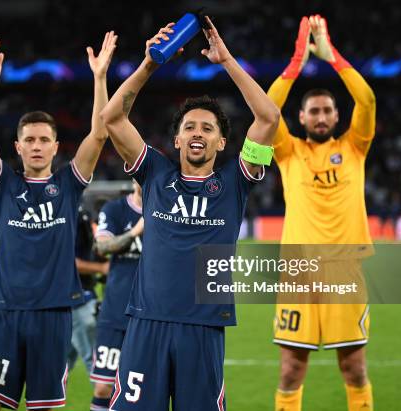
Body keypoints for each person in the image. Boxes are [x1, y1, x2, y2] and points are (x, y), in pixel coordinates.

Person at [100, 17, 279, 410]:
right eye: (190, 126)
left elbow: (268, 118)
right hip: (147, 322)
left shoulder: (237, 181)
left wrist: (227, 61)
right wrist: (148, 65)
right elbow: (112, 119)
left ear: (222, 141)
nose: (198, 132)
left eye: (208, 128)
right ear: (177, 138)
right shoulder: (154, 172)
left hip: (203, 326)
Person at [0, 31, 117, 411]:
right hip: (6, 310)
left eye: (43, 140)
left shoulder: (67, 184)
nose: (36, 146)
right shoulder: (4, 184)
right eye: (29, 140)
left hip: (53, 315)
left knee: (43, 407)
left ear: (55, 146)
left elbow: (99, 135)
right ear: (18, 146)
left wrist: (99, 79)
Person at [267, 15, 376, 411]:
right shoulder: (288, 151)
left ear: (336, 116)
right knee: (290, 371)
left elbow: (366, 100)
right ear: (301, 118)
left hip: (345, 269)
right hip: (297, 272)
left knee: (354, 369)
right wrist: (295, 65)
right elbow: (266, 109)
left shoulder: (355, 146)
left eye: (327, 110)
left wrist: (333, 58)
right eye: (313, 111)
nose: (321, 117)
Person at [89, 180, 143, 411]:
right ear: (133, 178)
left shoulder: (170, 212)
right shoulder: (114, 210)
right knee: (103, 387)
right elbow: (102, 247)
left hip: (150, 317)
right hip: (114, 314)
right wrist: (135, 231)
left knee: (141, 390)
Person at [68, 205, 109, 373]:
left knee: (55, 371)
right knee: (99, 369)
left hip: (62, 302)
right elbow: (67, 262)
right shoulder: (76, 216)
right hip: (78, 300)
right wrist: (102, 268)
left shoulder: (75, 213)